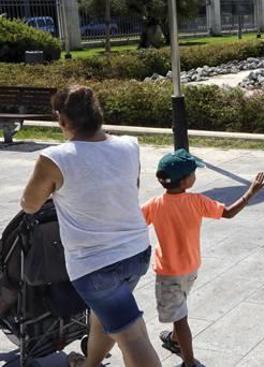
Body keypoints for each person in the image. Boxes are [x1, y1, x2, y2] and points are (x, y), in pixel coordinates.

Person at [19, 85, 161, 367]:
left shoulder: (54, 158)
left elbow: (29, 204)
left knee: (131, 336)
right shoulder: (129, 145)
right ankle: (90, 363)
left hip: (95, 266)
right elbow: (128, 188)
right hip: (136, 254)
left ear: (61, 119)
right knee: (108, 317)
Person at [141, 149, 264, 367]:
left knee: (180, 317)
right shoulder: (197, 201)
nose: (195, 176)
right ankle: (175, 341)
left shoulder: (154, 204)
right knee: (180, 307)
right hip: (191, 267)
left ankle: (188, 361)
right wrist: (250, 193)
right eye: (193, 173)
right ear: (184, 181)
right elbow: (227, 212)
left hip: (168, 271)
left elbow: (133, 224)